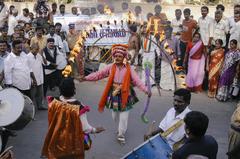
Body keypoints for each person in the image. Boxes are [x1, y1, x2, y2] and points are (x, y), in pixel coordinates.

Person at [78, 44, 151, 144]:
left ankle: (121, 134)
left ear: (124, 57)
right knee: (114, 115)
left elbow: (137, 81)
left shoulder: (129, 69)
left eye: (120, 56)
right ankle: (120, 128)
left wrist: (146, 90)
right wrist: (86, 78)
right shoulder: (110, 67)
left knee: (124, 116)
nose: (117, 58)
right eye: (116, 56)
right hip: (114, 94)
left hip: (126, 94)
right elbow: (99, 75)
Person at [42, 77, 105, 159]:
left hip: (56, 137)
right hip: (71, 142)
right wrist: (95, 130)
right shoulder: (78, 106)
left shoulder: (54, 102)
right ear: (73, 90)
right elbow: (85, 128)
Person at [27, 43, 47, 110]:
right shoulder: (27, 57)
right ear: (31, 49)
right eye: (35, 49)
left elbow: (45, 63)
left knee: (40, 94)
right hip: (32, 80)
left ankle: (40, 106)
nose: (37, 51)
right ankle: (31, 110)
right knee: (32, 96)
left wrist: (41, 55)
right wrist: (32, 80)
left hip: (40, 78)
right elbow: (28, 70)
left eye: (38, 49)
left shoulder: (39, 55)